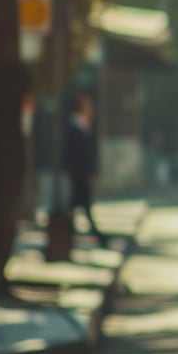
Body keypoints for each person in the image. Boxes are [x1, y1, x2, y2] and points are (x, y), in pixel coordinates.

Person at [64, 89, 107, 247]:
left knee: (78, 206)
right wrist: (88, 171)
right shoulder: (74, 126)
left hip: (80, 174)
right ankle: (95, 237)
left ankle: (74, 236)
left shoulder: (82, 125)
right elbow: (79, 154)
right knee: (80, 206)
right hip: (78, 174)